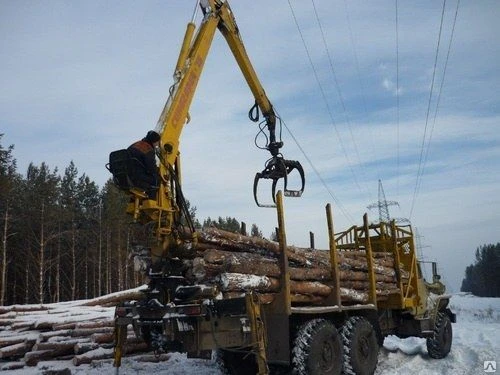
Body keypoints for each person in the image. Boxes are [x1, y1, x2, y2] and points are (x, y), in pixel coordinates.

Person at [127, 130, 161, 199]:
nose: (157, 145)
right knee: (157, 180)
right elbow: (151, 169)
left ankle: (134, 201)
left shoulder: (134, 145)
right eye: (157, 142)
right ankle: (150, 202)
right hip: (137, 178)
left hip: (125, 177)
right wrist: (158, 170)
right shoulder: (148, 149)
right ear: (154, 141)